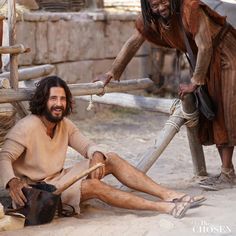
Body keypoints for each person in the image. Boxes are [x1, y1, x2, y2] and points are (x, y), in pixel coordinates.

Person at [0, 76, 205, 219]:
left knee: (111, 158)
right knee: (94, 186)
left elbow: (88, 145)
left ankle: (168, 194)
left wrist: (97, 155)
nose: (59, 104)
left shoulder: (64, 125)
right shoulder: (27, 126)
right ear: (42, 100)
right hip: (39, 192)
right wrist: (12, 181)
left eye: (62, 99)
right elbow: (4, 157)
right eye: (53, 98)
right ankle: (164, 208)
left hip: (60, 177)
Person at [95, 0, 236, 190]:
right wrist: (112, 72)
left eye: (164, 1)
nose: (161, 7)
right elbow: (133, 42)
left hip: (226, 54)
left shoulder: (190, 8)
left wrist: (195, 81)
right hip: (206, 62)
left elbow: (205, 47)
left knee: (227, 110)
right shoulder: (150, 19)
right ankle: (228, 173)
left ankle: (227, 173)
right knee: (216, 114)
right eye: (155, 5)